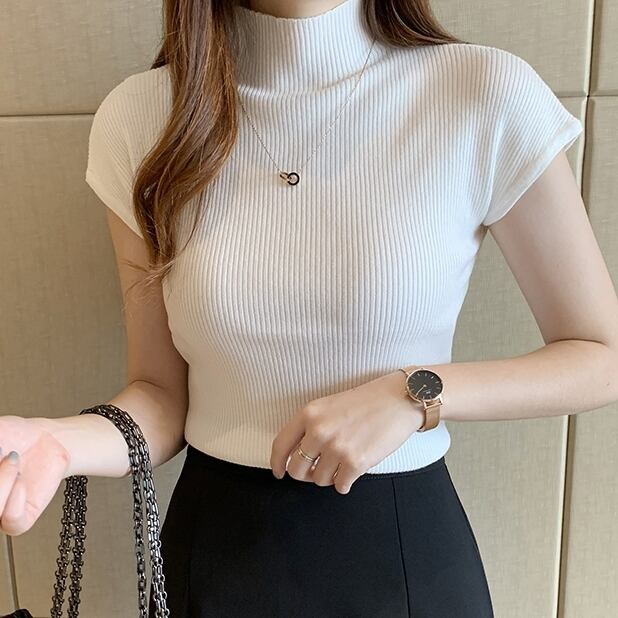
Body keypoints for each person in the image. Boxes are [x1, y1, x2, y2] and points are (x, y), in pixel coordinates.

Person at [2, 0, 618, 616]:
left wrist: (416, 393)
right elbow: (160, 394)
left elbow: (601, 355)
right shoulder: (142, 117)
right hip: (214, 558)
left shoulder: (482, 91)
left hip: (405, 562)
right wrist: (59, 441)